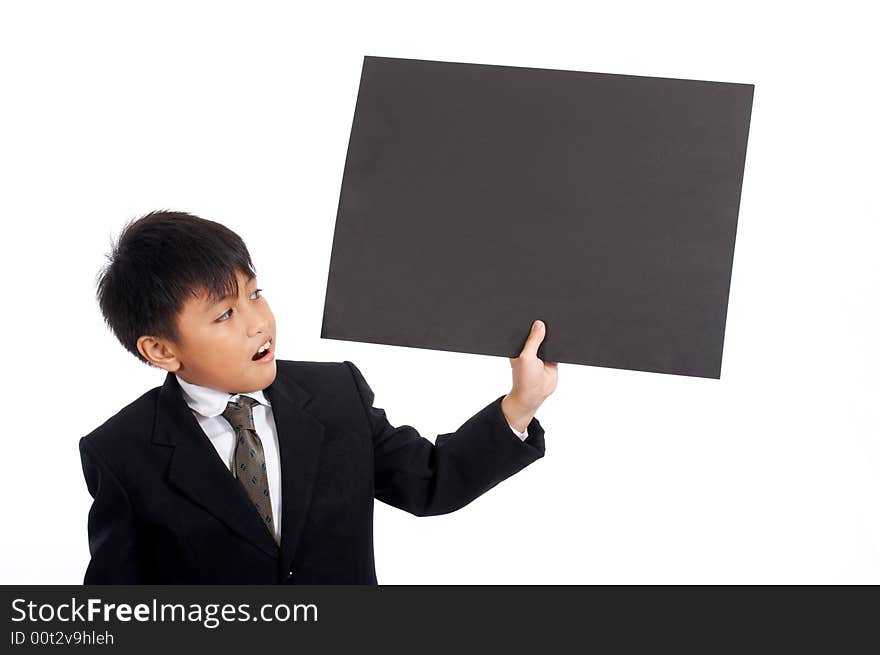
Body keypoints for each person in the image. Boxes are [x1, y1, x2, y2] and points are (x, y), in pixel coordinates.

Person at [79, 210, 558, 583]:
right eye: (224, 315)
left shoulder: (335, 394)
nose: (258, 322)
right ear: (160, 350)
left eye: (254, 293)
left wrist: (521, 403)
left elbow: (431, 483)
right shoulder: (122, 451)